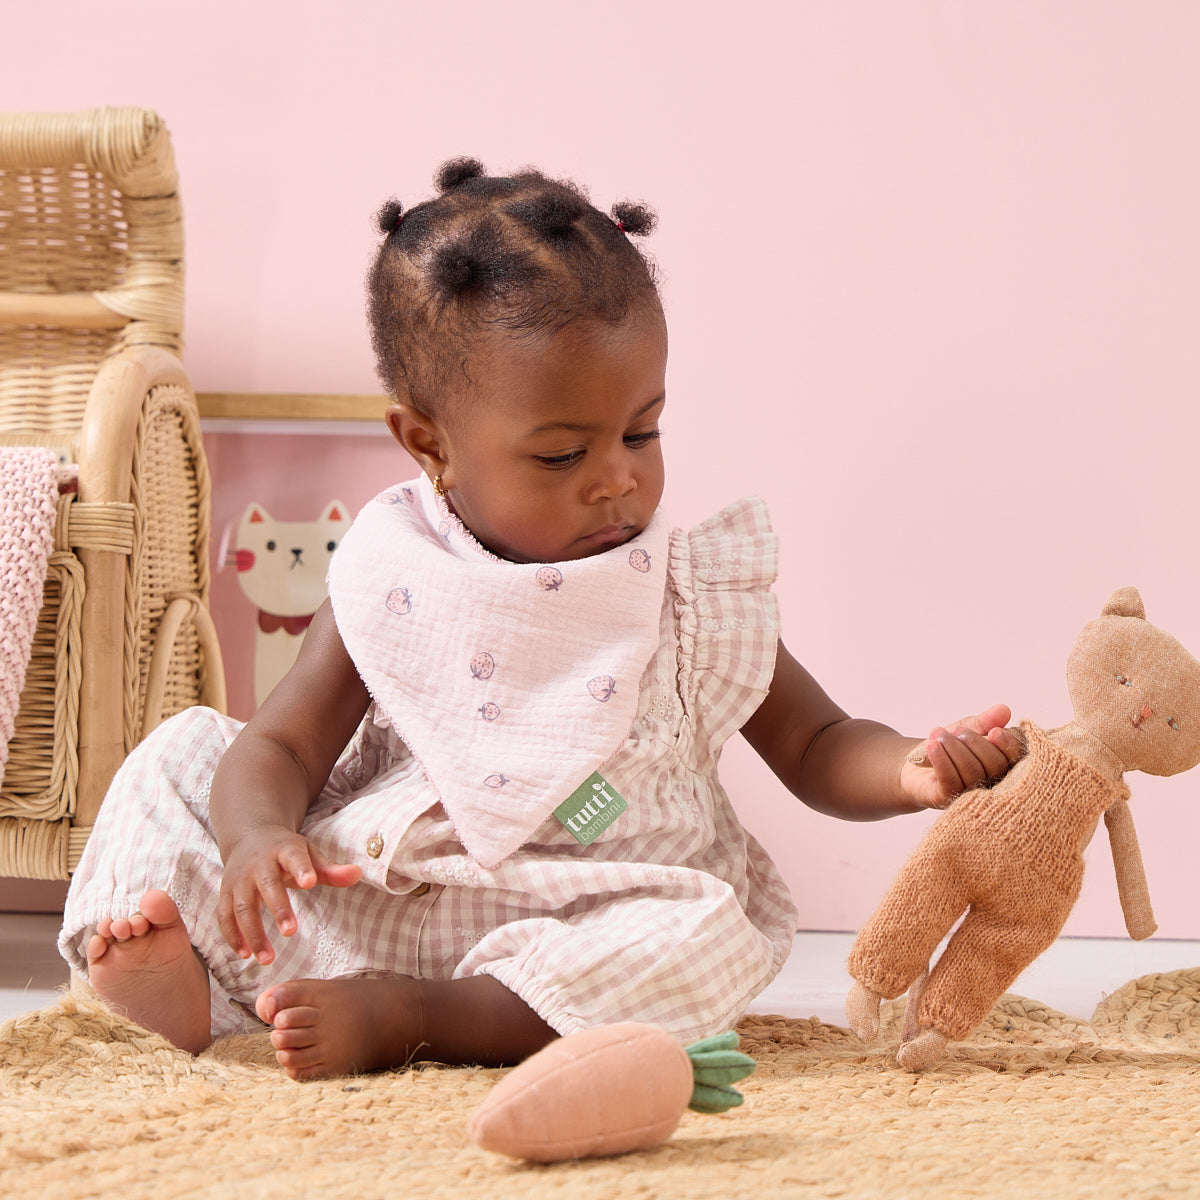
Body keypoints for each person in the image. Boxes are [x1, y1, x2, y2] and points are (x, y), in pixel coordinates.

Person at [59, 158, 1023, 1081]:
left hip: (589, 924)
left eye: (642, 430)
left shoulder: (687, 589)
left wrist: (911, 768)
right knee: (181, 754)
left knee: (708, 933)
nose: (619, 476)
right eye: (562, 455)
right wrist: (254, 838)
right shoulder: (396, 574)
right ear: (428, 443)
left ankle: (418, 1018)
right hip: (378, 899)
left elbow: (816, 742)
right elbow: (278, 745)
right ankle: (188, 977)